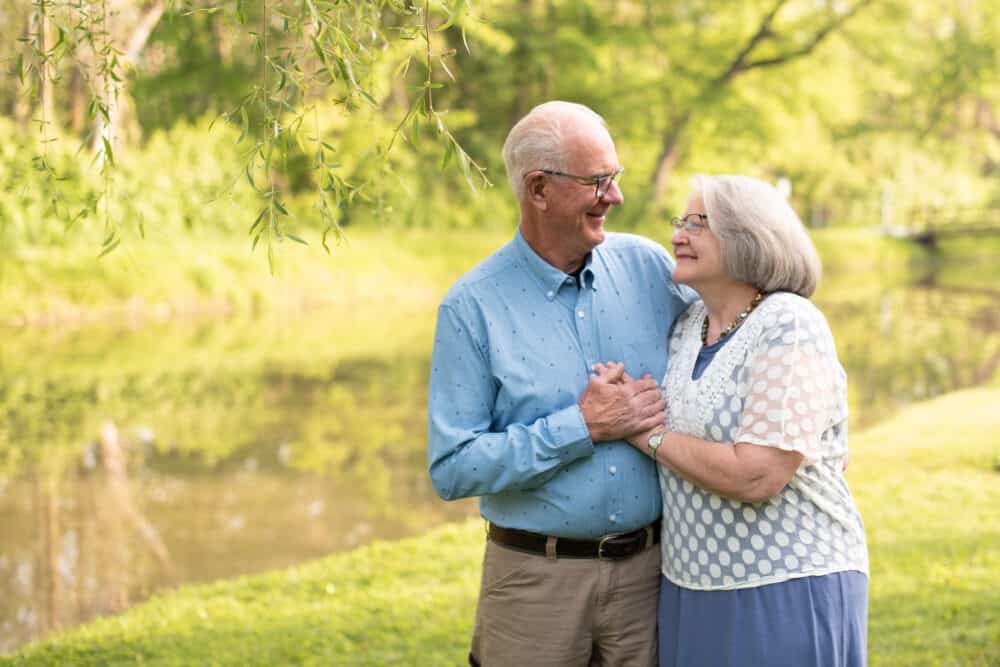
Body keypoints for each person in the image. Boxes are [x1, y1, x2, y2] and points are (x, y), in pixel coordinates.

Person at [427, 101, 695, 666]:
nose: (615, 197)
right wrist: (584, 426)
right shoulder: (472, 306)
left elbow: (736, 339)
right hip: (533, 586)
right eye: (597, 182)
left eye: (614, 178)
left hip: (653, 574)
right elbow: (452, 467)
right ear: (539, 189)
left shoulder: (650, 269)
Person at [595, 174, 869, 666]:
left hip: (784, 582)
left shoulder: (789, 323)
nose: (678, 235)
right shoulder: (686, 328)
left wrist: (645, 434)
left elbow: (757, 473)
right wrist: (619, 393)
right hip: (691, 584)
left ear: (750, 237)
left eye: (698, 223)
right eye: (680, 221)